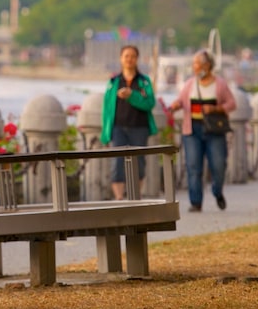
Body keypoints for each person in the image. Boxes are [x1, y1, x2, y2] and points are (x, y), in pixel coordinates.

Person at [168, 50, 237, 212]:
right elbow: (180, 99)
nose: (195, 67)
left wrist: (216, 108)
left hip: (214, 130)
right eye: (194, 64)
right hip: (192, 129)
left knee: (219, 165)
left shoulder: (220, 84)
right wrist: (175, 106)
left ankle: (217, 191)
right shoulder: (190, 83)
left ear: (207, 65)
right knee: (193, 166)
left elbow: (232, 104)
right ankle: (196, 202)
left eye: (197, 64)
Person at [100, 45, 158, 200]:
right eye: (126, 56)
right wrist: (105, 133)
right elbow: (106, 108)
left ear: (137, 59)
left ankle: (135, 196)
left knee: (139, 161)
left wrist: (132, 95)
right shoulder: (113, 81)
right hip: (118, 127)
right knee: (117, 162)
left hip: (139, 127)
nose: (129, 59)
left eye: (132, 56)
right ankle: (119, 197)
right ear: (121, 58)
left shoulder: (144, 81)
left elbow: (150, 103)